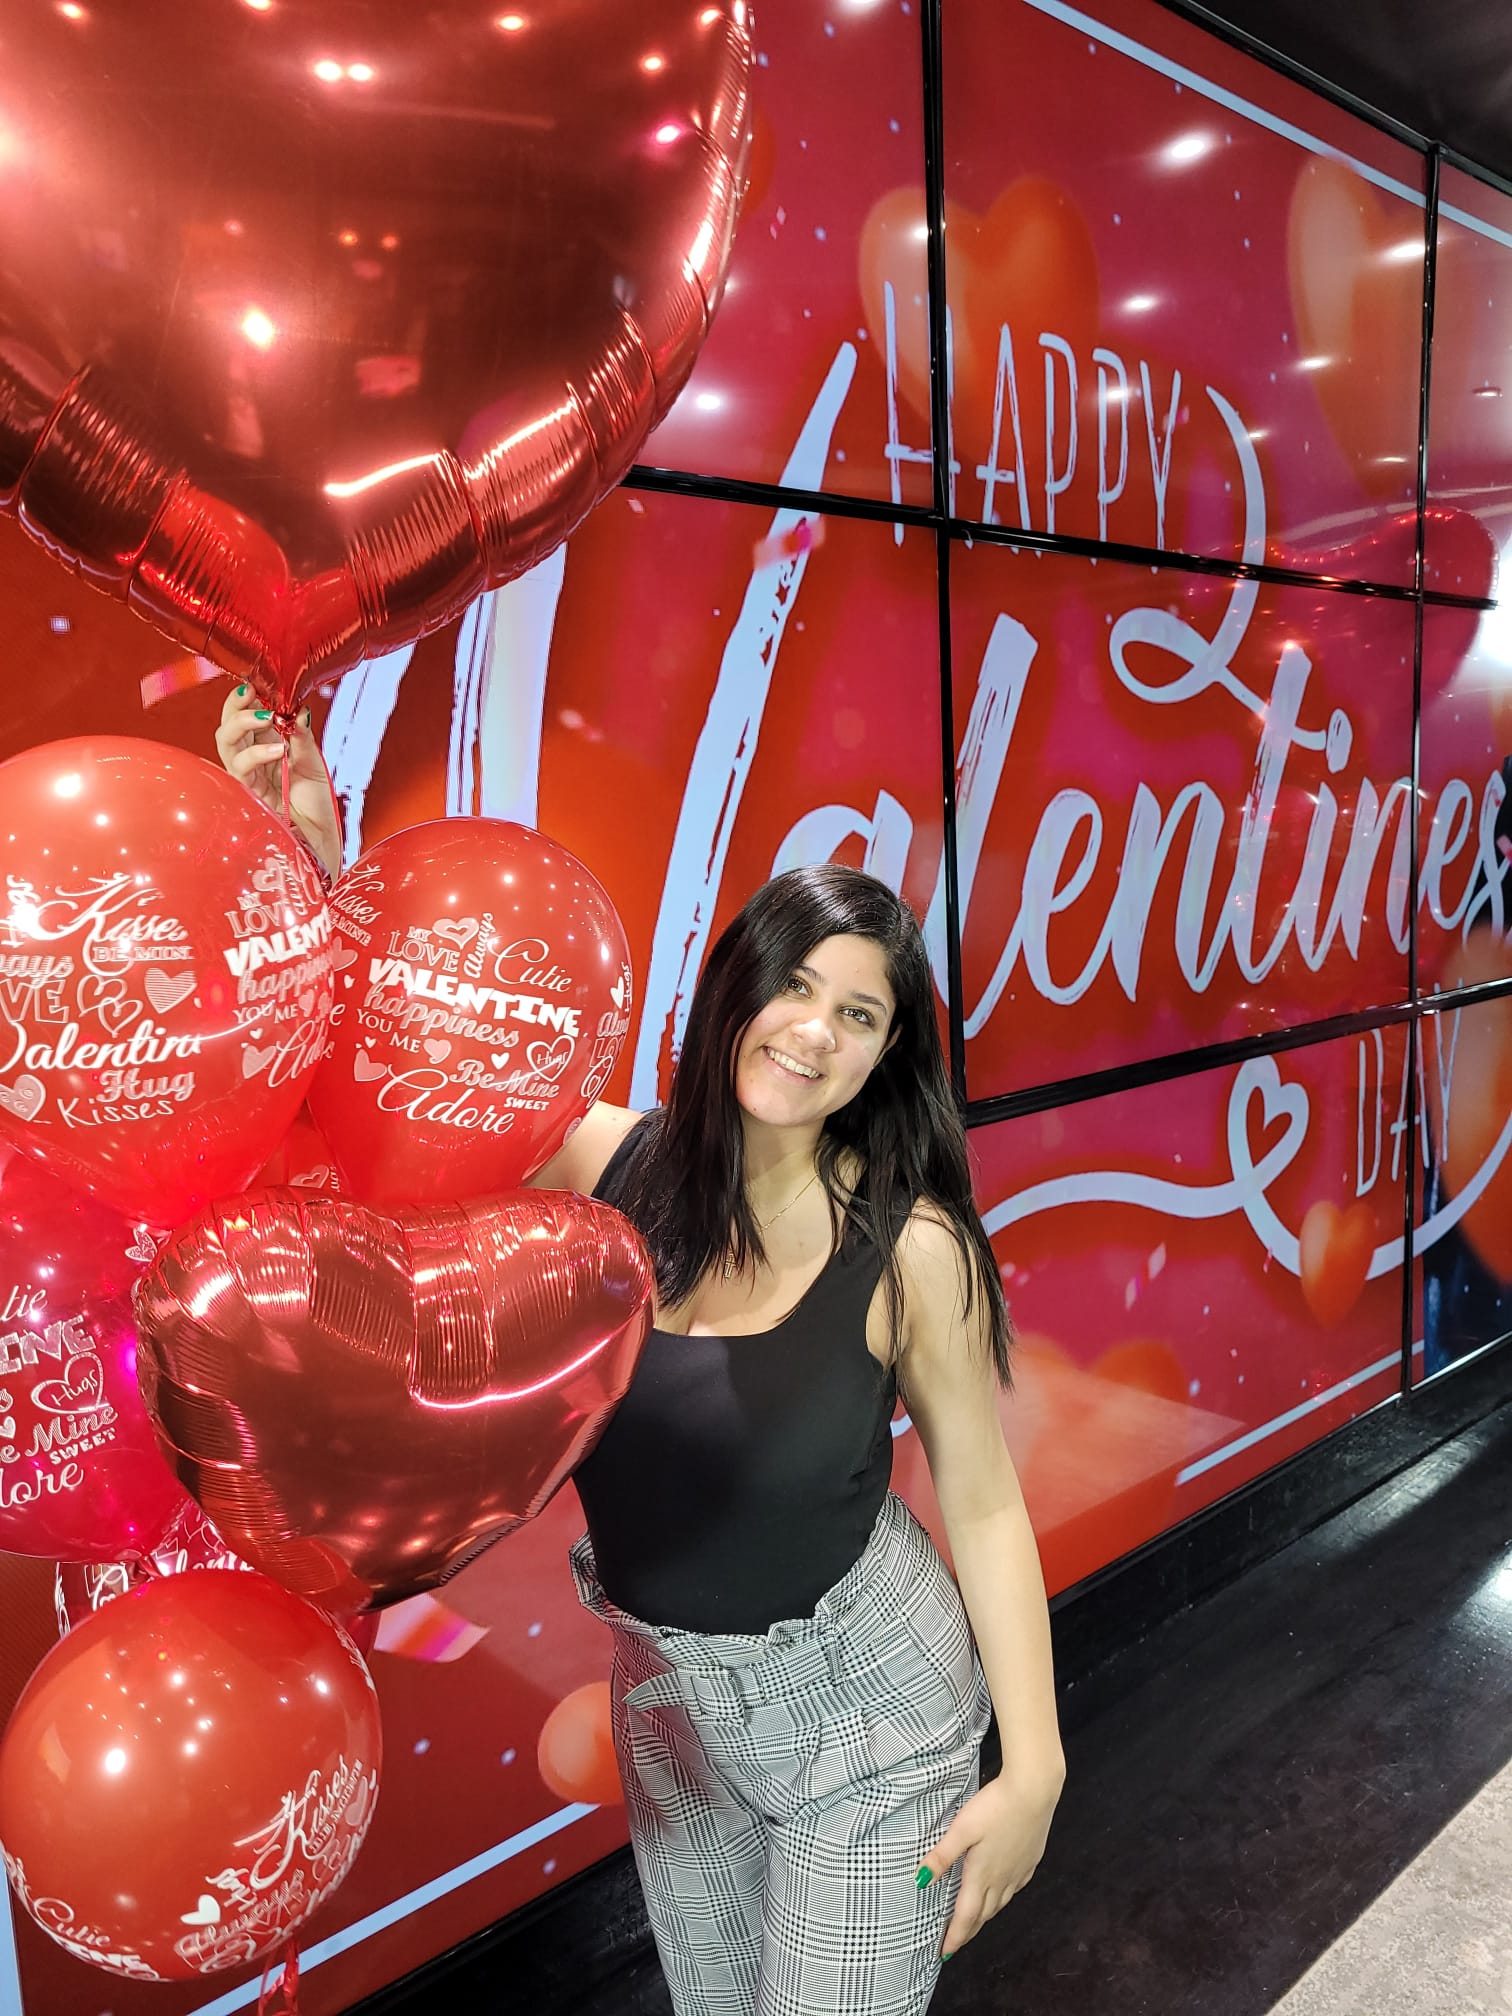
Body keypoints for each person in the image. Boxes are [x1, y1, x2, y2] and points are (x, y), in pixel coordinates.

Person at [217, 695, 1066, 2015]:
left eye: (859, 1014)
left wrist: (1038, 1770)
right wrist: (309, 871)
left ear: (888, 1054)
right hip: (667, 1706)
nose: (812, 1031)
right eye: (793, 985)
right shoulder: (605, 1162)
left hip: (870, 1714)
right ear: (737, 985)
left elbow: (985, 1500)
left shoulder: (911, 1249)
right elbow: (398, 1076)